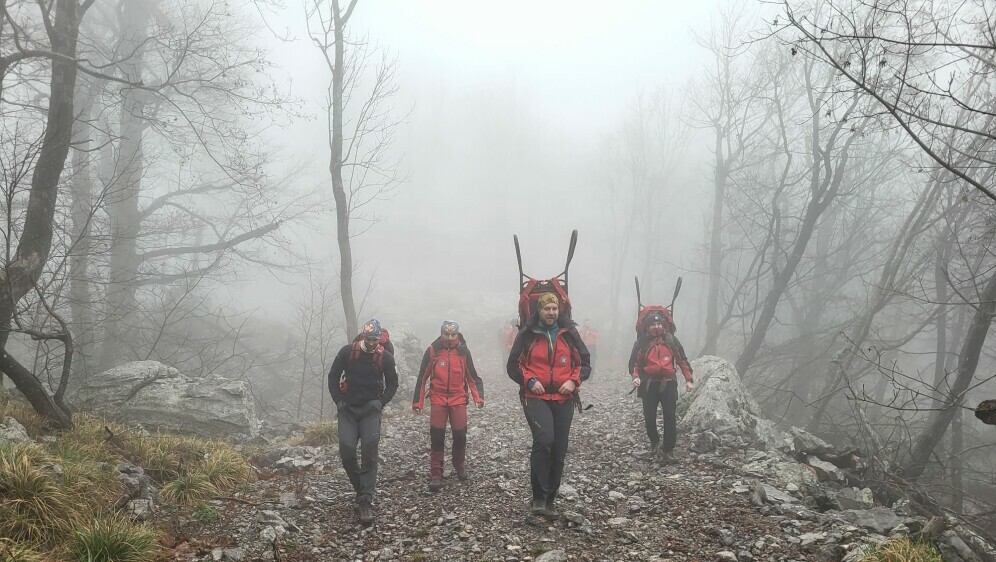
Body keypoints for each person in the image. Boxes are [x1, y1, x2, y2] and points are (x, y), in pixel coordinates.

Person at [506, 292, 591, 520]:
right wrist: (530, 380)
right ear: (539, 311)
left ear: (559, 310)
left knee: (559, 449)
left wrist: (573, 380)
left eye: (554, 308)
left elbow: (585, 363)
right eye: (547, 309)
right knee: (544, 440)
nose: (551, 313)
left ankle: (551, 499)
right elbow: (512, 365)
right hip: (535, 396)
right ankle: (538, 499)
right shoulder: (527, 334)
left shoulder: (569, 334)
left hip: (564, 398)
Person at [328, 319, 399, 525]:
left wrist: (380, 403)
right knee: (347, 451)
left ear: (380, 340)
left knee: (369, 449)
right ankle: (362, 489)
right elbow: (333, 376)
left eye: (375, 340)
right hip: (348, 409)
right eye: (368, 339)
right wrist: (339, 402)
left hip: (370, 410)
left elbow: (393, 383)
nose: (371, 343)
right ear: (362, 336)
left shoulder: (385, 357)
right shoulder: (347, 352)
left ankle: (365, 501)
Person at [412, 320, 485, 491]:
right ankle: (436, 473)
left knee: (460, 434)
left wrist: (478, 397)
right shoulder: (433, 350)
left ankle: (459, 464)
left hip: (458, 398)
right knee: (437, 435)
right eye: (447, 334)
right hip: (438, 398)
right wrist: (418, 402)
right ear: (441, 334)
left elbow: (472, 377)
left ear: (458, 334)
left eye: (453, 334)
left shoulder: (464, 352)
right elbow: (422, 377)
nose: (450, 338)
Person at [628, 311, 693, 464]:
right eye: (652, 324)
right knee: (649, 416)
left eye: (658, 324)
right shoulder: (642, 343)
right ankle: (655, 441)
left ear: (663, 325)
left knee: (670, 416)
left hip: (669, 382)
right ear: (647, 327)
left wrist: (689, 379)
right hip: (648, 383)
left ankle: (668, 449)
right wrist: (635, 377)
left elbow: (682, 360)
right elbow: (634, 364)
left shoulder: (671, 340)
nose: (656, 327)